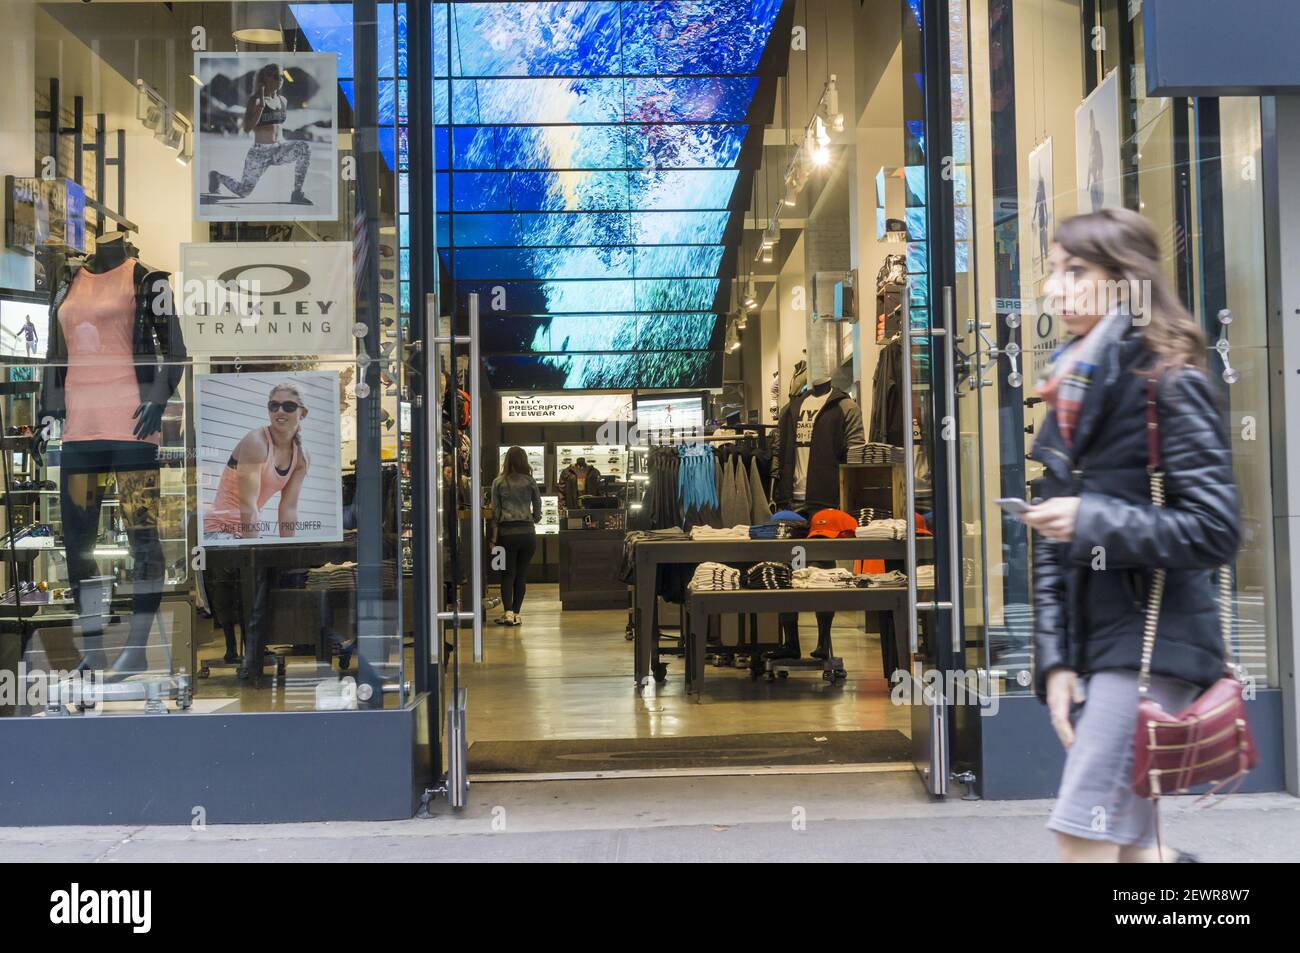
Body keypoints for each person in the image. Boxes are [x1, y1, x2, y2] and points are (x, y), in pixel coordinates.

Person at [1023, 208, 1240, 863]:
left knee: (1081, 832)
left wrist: (1090, 520)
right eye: (1054, 271)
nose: (1056, 288)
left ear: (1126, 281)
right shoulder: (1070, 392)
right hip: (1100, 647)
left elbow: (1215, 528)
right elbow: (1052, 550)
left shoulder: (1167, 382)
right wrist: (1054, 660)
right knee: (1133, 850)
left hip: (1152, 647)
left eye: (1076, 271)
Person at [204, 383, 311, 539]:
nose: (280, 411)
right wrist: (252, 550)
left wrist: (290, 550)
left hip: (245, 532)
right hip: (218, 531)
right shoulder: (256, 443)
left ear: (303, 413)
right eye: (274, 406)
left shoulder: (301, 457)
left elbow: (288, 508)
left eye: (288, 406)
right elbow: (248, 505)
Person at [207, 62, 313, 206]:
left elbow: (277, 126)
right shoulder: (255, 100)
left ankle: (297, 193)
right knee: (243, 192)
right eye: (275, 76)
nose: (280, 80)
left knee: (304, 147)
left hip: (278, 149)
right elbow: (246, 128)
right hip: (259, 153)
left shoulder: (283, 101)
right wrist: (261, 107)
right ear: (266, 78)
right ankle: (217, 177)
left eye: (282, 76)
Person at [490, 446, 541, 626]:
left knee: (507, 574)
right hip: (528, 534)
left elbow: (495, 512)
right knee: (522, 575)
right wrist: (534, 518)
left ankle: (508, 612)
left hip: (506, 535)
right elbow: (537, 503)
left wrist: (493, 538)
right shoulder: (530, 481)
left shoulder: (498, 482)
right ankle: (518, 613)